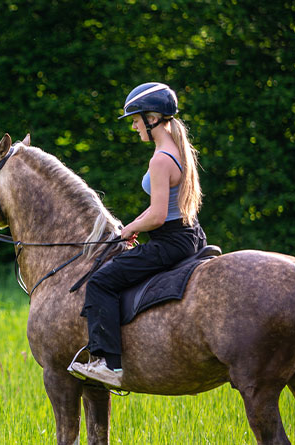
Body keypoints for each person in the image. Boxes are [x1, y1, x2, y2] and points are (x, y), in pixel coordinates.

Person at [70, 82, 207, 387]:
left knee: (101, 282)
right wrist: (131, 226)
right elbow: (163, 210)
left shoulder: (160, 160)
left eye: (135, 119)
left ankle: (109, 365)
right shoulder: (177, 150)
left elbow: (158, 215)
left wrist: (130, 228)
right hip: (190, 235)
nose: (133, 127)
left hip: (170, 241)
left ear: (152, 118)